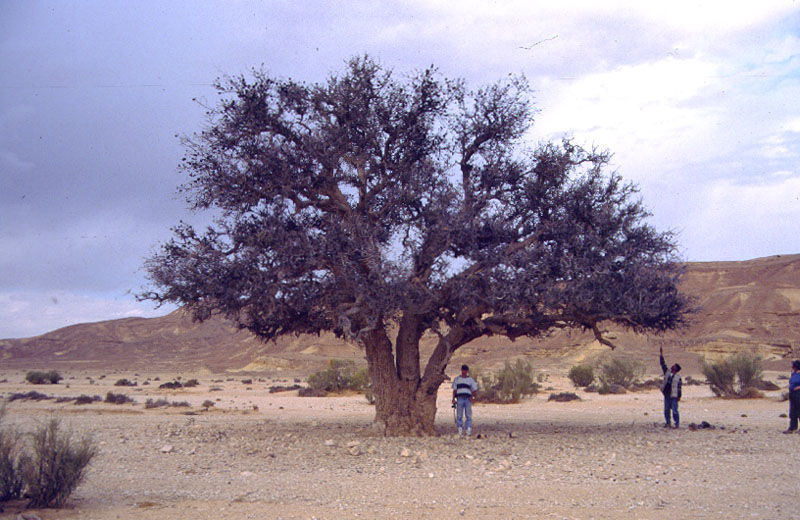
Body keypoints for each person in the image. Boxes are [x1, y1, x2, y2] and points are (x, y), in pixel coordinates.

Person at [452, 364, 478, 436]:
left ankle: (468, 429)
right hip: (459, 398)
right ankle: (460, 429)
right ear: (461, 370)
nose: (464, 372)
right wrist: (453, 399)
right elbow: (454, 390)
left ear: (467, 371)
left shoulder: (470, 380)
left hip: (467, 399)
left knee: (468, 415)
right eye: (463, 370)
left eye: (465, 370)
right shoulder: (457, 379)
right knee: (459, 415)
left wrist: (472, 397)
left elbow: (475, 390)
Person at [659, 346, 682, 428]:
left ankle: (677, 423)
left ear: (676, 369)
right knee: (666, 409)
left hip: (674, 395)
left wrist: (679, 396)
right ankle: (668, 423)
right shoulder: (667, 372)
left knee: (675, 410)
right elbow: (663, 364)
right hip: (667, 394)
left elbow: (679, 388)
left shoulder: (678, 377)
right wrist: (661, 354)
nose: (672, 366)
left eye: (674, 366)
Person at [783, 359, 800, 433]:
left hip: (798, 393)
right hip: (792, 393)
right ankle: (792, 427)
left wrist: (798, 387)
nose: (792, 367)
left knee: (799, 410)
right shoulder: (793, 374)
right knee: (792, 411)